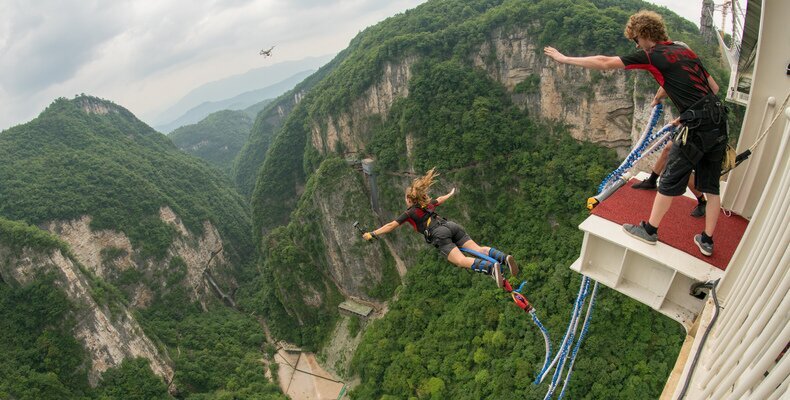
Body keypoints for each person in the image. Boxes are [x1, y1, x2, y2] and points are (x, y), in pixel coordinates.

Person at [544, 10, 728, 256]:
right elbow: (712, 87)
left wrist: (564, 59)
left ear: (643, 35)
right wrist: (666, 98)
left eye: (635, 40)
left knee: (670, 179)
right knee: (712, 186)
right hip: (718, 122)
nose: (636, 44)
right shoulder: (685, 50)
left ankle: (650, 231)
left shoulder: (653, 55)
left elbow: (604, 62)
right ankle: (706, 240)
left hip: (695, 129)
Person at [362, 168, 518, 288]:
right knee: (479, 249)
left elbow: (391, 225)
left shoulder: (409, 212)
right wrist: (450, 193)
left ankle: (491, 268)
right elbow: (440, 199)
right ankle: (504, 258)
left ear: (409, 199)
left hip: (440, 235)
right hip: (451, 226)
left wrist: (373, 233)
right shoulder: (427, 205)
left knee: (461, 260)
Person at [632, 141, 708, 218]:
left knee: (682, 166)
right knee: (668, 149)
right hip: (687, 132)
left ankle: (702, 201)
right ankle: (651, 181)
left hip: (699, 135)